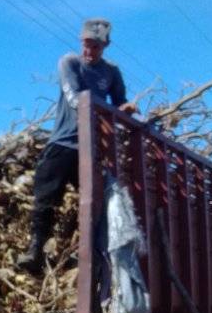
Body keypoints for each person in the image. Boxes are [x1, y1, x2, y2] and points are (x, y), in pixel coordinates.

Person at [18, 18, 137, 273]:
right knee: (45, 197)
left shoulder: (111, 72)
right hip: (63, 142)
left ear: (105, 45)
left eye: (95, 46)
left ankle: (93, 256)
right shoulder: (69, 62)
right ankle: (36, 250)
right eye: (86, 45)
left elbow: (120, 105)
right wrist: (104, 110)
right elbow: (74, 98)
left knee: (96, 202)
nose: (89, 51)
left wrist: (125, 110)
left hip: (91, 149)